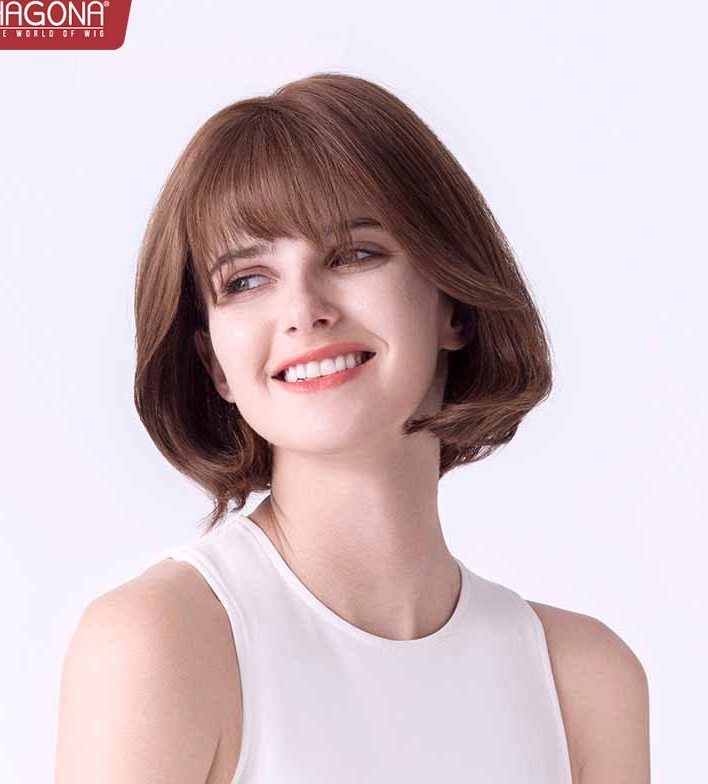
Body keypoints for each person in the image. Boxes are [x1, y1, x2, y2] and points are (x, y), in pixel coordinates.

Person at [54, 72, 650, 783]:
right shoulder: (160, 646)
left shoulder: (583, 682)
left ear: (454, 304)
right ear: (215, 363)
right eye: (246, 280)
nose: (303, 310)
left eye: (354, 254)